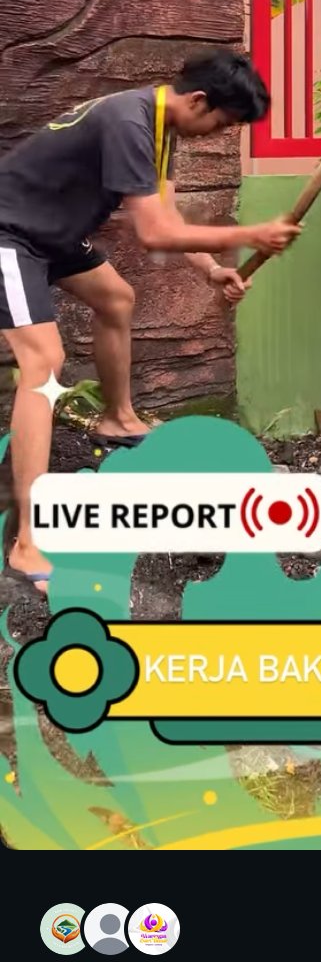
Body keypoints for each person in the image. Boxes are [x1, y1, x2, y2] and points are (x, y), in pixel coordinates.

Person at [0, 49, 301, 590]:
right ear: (199, 100)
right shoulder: (127, 120)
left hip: (54, 235)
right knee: (42, 364)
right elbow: (153, 236)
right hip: (11, 232)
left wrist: (211, 269)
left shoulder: (159, 127)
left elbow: (167, 217)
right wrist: (249, 235)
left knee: (116, 298)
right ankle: (27, 543)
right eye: (221, 124)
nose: (217, 134)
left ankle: (117, 418)